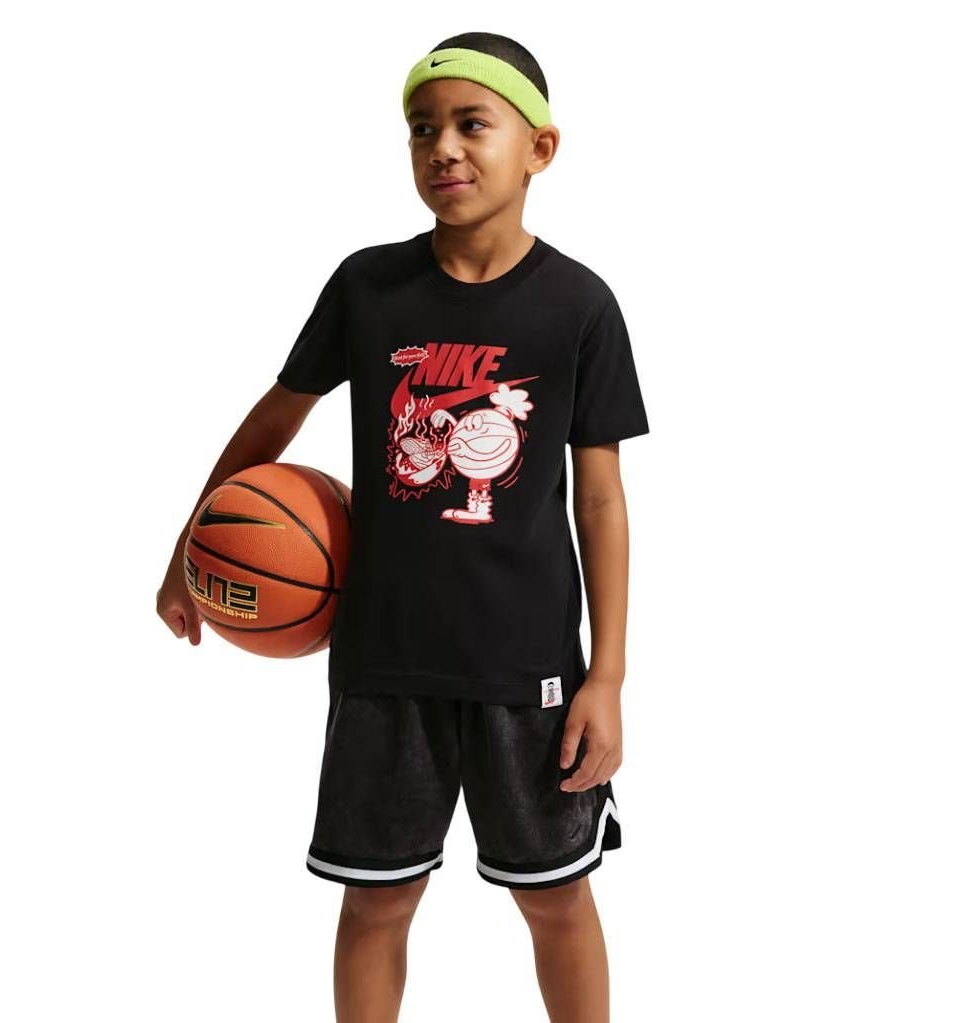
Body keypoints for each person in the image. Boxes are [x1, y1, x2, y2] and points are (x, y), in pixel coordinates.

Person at [157, 31, 650, 1023]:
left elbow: (599, 499)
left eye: (472, 124)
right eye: (423, 129)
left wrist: (606, 676)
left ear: (539, 149)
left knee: (556, 899)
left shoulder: (579, 305)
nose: (443, 148)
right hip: (382, 661)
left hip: (527, 669)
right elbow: (273, 422)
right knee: (376, 900)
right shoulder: (367, 287)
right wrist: (186, 551)